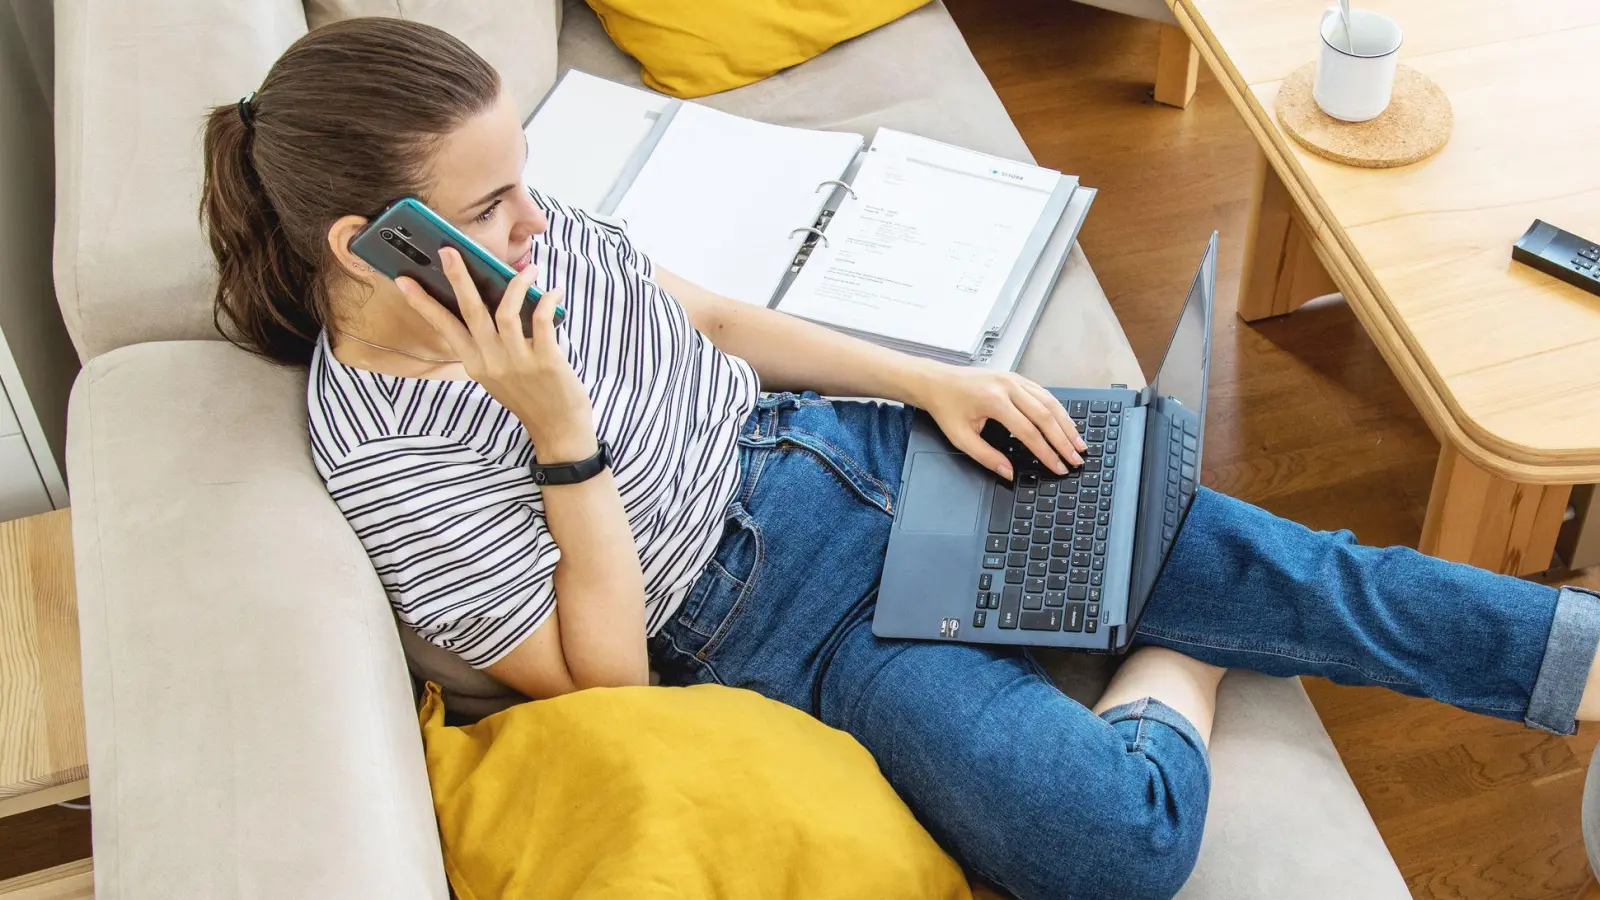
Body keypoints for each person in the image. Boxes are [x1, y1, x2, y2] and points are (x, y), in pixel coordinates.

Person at [198, 18, 1600, 900]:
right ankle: (1196, 653)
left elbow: (716, 318)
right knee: (1112, 852)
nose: (537, 223)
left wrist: (934, 382)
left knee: (1308, 572)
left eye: (523, 182)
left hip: (846, 451)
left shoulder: (518, 243)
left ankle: (1574, 657)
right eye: (493, 205)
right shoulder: (385, 457)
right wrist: (563, 435)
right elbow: (614, 688)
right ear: (369, 246)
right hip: (775, 629)